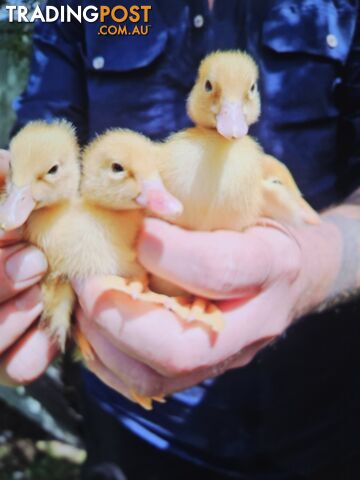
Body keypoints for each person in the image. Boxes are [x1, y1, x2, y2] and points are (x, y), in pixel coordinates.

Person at [0, 0, 360, 478]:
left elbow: (296, 212)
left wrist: (317, 260)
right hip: (134, 416)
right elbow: (45, 142)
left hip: (321, 409)